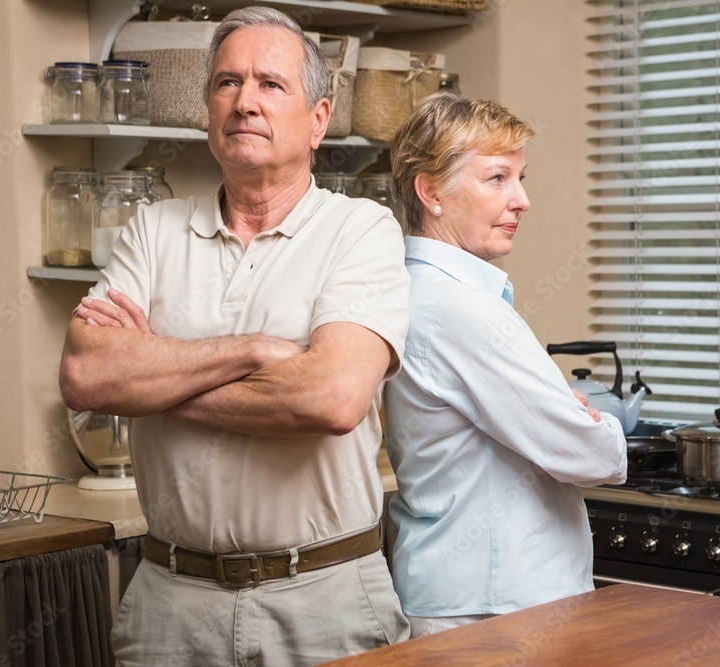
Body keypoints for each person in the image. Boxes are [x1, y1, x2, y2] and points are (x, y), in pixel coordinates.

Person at [59, 7, 411, 665]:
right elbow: (86, 377)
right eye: (226, 83)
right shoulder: (153, 228)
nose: (244, 101)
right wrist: (254, 351)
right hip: (171, 601)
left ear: (318, 119)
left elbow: (331, 399)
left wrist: (152, 379)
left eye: (270, 84)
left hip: (324, 598)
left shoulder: (361, 230)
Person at [383, 92, 628, 638]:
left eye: (520, 178)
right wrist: (593, 423)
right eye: (497, 179)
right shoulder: (462, 310)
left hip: (462, 591)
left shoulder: (414, 289)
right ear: (432, 193)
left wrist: (563, 413)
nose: (522, 200)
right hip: (496, 605)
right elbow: (595, 456)